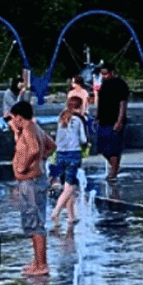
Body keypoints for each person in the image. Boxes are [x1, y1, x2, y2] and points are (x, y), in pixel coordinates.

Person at [8, 100, 56, 277]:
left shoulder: (28, 128)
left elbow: (34, 149)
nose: (12, 121)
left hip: (31, 181)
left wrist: (24, 166)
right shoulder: (35, 128)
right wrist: (41, 161)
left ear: (19, 117)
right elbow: (52, 145)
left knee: (35, 223)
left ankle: (42, 264)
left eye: (13, 118)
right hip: (36, 180)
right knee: (33, 221)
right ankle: (37, 261)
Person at [51, 95, 89, 226]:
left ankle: (71, 216)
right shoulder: (78, 120)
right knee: (69, 187)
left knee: (67, 188)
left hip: (60, 154)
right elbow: (83, 139)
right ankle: (56, 212)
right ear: (80, 106)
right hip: (73, 154)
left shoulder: (61, 118)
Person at [95, 62, 129, 182]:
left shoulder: (120, 84)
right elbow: (101, 101)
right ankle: (115, 167)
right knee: (102, 148)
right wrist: (97, 115)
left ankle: (113, 172)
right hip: (103, 121)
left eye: (105, 74)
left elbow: (122, 103)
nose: (103, 76)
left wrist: (119, 121)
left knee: (114, 148)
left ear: (111, 73)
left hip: (114, 121)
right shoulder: (104, 85)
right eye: (101, 74)